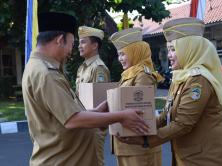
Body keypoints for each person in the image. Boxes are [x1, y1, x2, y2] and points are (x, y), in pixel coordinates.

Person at [22, 12, 148, 166]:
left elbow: (63, 114)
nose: (72, 50)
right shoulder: (46, 72)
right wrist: (121, 116)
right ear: (60, 40)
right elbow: (72, 120)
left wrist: (97, 111)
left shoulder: (41, 67)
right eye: (72, 43)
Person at [118, 18, 222, 166]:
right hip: (187, 158)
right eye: (168, 49)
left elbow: (183, 123)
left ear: (189, 49)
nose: (169, 55)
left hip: (208, 159)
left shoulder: (198, 80)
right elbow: (165, 117)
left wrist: (145, 140)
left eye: (173, 49)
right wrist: (140, 127)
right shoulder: (181, 77)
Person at [110, 28, 164, 166]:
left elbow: (139, 109)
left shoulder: (143, 75)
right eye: (119, 54)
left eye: (123, 54)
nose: (120, 59)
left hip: (139, 146)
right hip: (127, 145)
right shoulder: (129, 74)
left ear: (135, 52)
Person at [76, 26, 110, 166]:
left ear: (95, 45)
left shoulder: (99, 68)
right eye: (79, 42)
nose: (79, 46)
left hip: (94, 127)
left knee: (95, 162)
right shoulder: (82, 67)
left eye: (83, 42)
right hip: (83, 122)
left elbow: (101, 102)